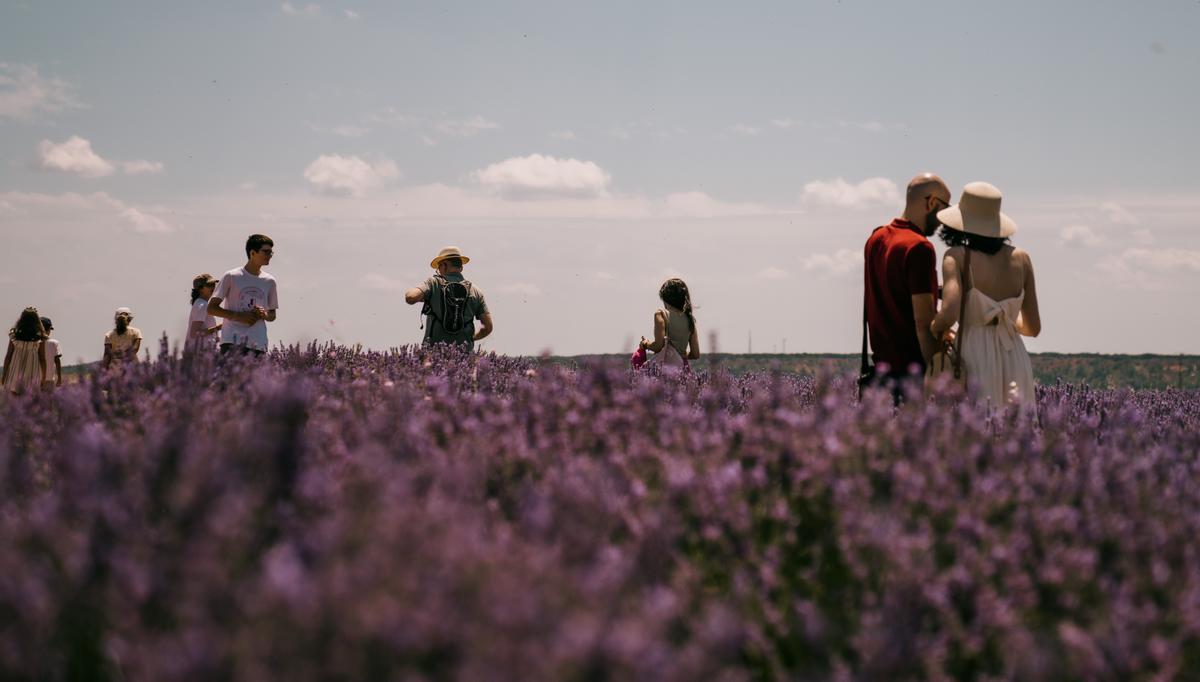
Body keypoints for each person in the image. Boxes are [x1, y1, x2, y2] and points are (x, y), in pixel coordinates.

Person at [931, 181, 1040, 406]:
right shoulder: (1022, 259)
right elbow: (1033, 328)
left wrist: (934, 327)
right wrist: (1003, 317)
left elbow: (950, 312)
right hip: (1014, 355)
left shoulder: (956, 256)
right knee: (1014, 430)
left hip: (974, 352)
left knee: (976, 428)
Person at [863, 173, 951, 401]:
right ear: (931, 203)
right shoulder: (920, 247)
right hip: (911, 375)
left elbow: (896, 286)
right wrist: (938, 374)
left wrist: (941, 291)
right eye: (944, 208)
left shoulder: (876, 238)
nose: (943, 219)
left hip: (882, 373)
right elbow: (923, 323)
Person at [404, 246, 493, 350]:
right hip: (464, 357)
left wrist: (424, 295)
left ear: (444, 265)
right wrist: (470, 339)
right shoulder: (476, 291)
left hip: (433, 356)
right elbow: (488, 327)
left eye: (439, 267)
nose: (439, 271)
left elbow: (410, 297)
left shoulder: (433, 283)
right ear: (461, 267)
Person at [208, 234, 279, 356]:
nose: (269, 256)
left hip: (258, 343)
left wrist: (264, 314)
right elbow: (211, 308)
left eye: (271, 253)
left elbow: (272, 315)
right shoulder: (231, 276)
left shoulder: (270, 281)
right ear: (252, 253)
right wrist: (239, 316)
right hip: (231, 342)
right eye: (266, 252)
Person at [638, 278, 700, 367]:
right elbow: (695, 354)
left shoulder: (661, 314)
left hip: (665, 368)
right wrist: (679, 354)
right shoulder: (689, 319)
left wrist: (645, 344)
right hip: (683, 368)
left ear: (665, 298)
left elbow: (658, 345)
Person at [2, 307, 47, 394]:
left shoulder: (15, 336)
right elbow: (42, 358)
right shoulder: (39, 338)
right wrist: (43, 377)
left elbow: (8, 355)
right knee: (29, 403)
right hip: (32, 373)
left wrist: (4, 374)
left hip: (15, 372)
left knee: (14, 402)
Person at [188, 273, 222, 346]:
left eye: (213, 284)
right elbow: (194, 334)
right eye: (209, 285)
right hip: (200, 353)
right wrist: (218, 327)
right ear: (200, 289)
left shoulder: (200, 304)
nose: (213, 287)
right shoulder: (202, 305)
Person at [40, 316, 62, 389]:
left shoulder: (34, 344)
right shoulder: (54, 343)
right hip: (49, 379)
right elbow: (57, 361)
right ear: (49, 329)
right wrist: (59, 378)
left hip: (36, 379)